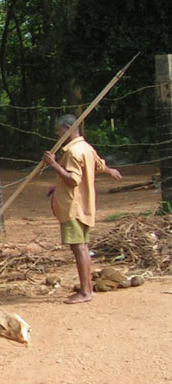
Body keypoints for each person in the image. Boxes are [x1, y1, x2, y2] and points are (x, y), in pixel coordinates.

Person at [43, 114, 123, 304]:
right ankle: (86, 287)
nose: (58, 134)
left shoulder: (73, 152)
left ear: (68, 129)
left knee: (79, 247)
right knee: (82, 247)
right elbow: (99, 165)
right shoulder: (86, 148)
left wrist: (53, 164)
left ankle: (86, 291)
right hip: (83, 205)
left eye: (60, 131)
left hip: (73, 206)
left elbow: (72, 180)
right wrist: (110, 171)